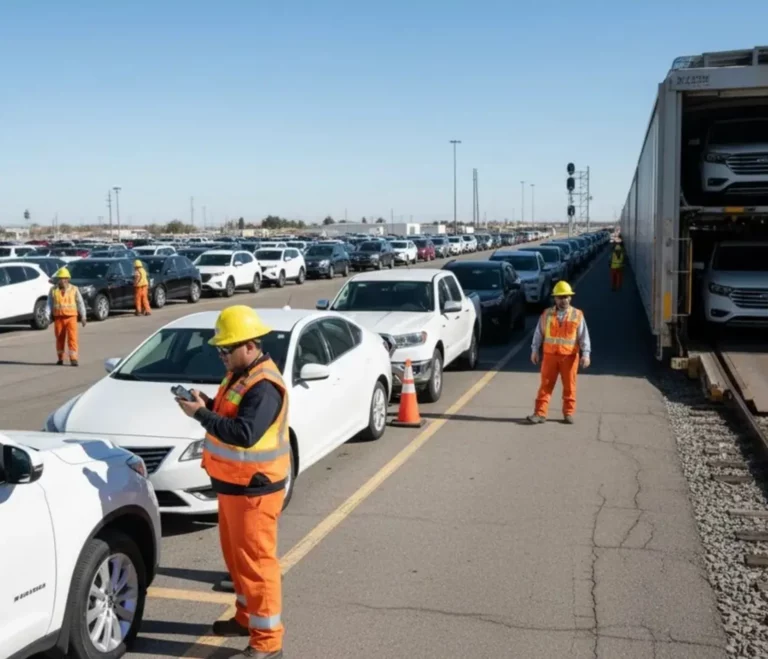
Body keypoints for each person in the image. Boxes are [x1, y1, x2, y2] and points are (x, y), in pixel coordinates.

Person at [176, 305, 287, 659]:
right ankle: (245, 618)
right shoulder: (240, 375)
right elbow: (230, 414)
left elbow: (244, 433)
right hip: (233, 486)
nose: (221, 354)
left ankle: (267, 642)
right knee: (237, 561)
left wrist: (201, 415)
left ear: (250, 346)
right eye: (219, 348)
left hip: (254, 490)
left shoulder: (263, 385)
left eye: (226, 348)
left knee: (256, 565)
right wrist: (207, 404)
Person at [527, 281, 591, 424]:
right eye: (560, 297)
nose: (564, 300)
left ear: (570, 298)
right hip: (550, 356)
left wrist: (586, 354)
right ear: (555, 298)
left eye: (566, 297)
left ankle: (568, 413)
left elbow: (583, 336)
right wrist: (534, 350)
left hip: (569, 357)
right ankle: (540, 413)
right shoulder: (547, 314)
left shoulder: (577, 315)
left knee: (570, 386)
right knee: (545, 385)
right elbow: (538, 334)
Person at [47, 267, 87, 366]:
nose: (63, 280)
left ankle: (73, 359)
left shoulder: (74, 289)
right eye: (61, 278)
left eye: (65, 278)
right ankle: (60, 358)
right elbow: (49, 303)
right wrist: (47, 315)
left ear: (68, 279)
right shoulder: (53, 290)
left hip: (71, 317)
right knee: (59, 339)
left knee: (72, 338)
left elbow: (80, 303)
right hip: (59, 318)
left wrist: (83, 316)